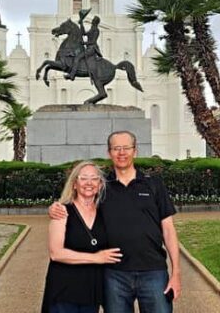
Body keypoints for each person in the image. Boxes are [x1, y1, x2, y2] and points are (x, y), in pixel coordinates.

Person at [50, 131, 182, 313]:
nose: (121, 153)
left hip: (153, 271)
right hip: (114, 274)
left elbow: (168, 230)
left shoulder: (153, 184)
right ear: (109, 152)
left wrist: (176, 273)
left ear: (135, 151)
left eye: (126, 148)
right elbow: (81, 200)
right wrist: (56, 207)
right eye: (116, 148)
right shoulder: (103, 187)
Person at [42, 161, 123, 313]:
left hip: (91, 294)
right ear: (74, 184)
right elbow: (56, 253)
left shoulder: (105, 213)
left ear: (100, 185)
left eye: (94, 178)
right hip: (63, 292)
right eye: (83, 178)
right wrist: (96, 258)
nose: (89, 183)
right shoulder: (62, 211)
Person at [66, 15, 103, 81]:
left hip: (92, 48)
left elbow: (93, 41)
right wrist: (81, 24)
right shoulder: (92, 29)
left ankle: (72, 75)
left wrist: (84, 43)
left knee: (77, 58)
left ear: (95, 22)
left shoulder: (96, 30)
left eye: (93, 20)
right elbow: (84, 33)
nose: (92, 21)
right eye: (93, 19)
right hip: (88, 48)